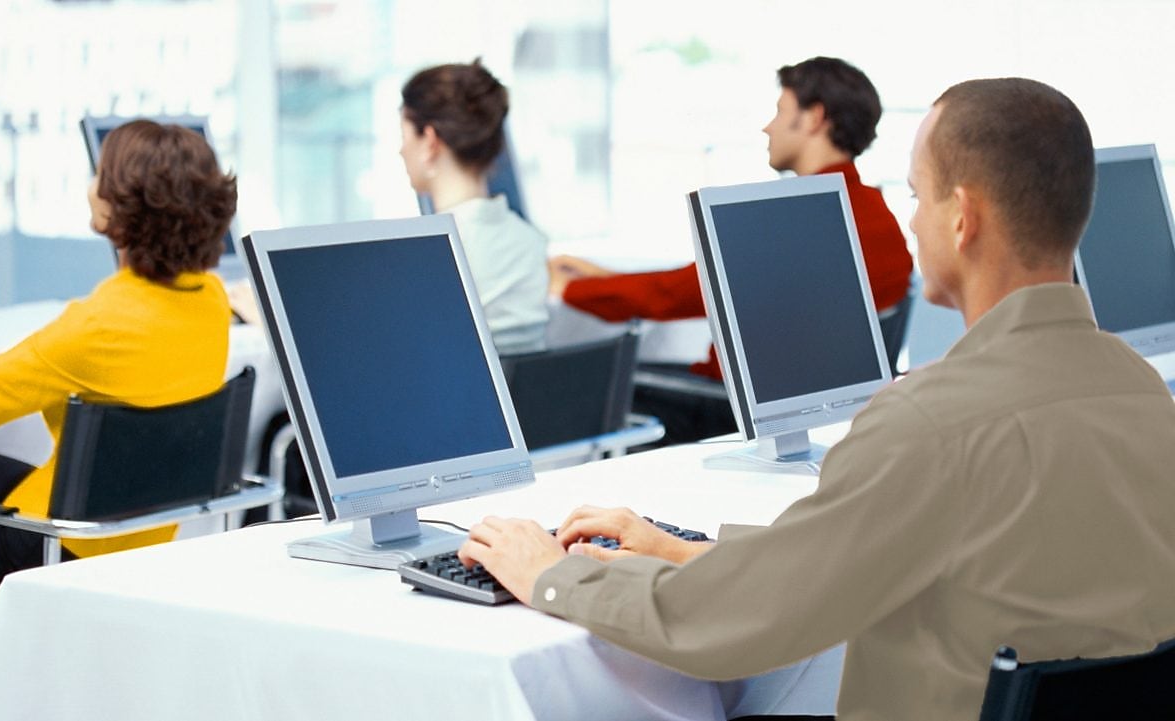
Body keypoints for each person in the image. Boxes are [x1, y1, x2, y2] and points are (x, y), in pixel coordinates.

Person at [458, 78, 1175, 721]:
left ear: (962, 218)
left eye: (917, 197)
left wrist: (553, 574)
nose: (913, 222)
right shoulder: (1145, 396)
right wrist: (680, 548)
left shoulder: (928, 425)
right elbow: (862, 559)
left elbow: (736, 623)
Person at [0, 120, 237, 721]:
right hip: (132, 531)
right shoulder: (207, 301)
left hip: (60, 544)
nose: (90, 184)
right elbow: (28, 368)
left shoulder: (100, 321)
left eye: (99, 175)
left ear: (123, 207)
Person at [549, 57, 913, 444]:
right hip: (824, 419)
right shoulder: (876, 217)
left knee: (593, 383)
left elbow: (675, 296)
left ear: (813, 118)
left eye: (779, 111)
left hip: (738, 410)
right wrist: (604, 276)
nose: (767, 127)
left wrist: (567, 289)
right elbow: (704, 281)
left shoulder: (794, 216)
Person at [400, 59, 549, 355]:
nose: (400, 150)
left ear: (429, 141)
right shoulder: (530, 242)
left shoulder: (426, 255)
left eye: (404, 136)